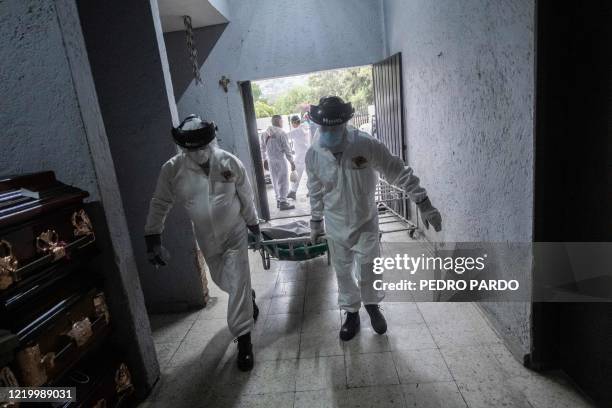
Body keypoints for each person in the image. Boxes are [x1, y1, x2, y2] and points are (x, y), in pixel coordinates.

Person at [305, 96, 442, 341]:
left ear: (344, 124)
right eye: (323, 127)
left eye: (333, 128)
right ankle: (351, 314)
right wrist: (316, 221)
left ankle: (372, 306)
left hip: (365, 220)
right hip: (335, 224)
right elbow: (315, 189)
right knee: (343, 271)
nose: (327, 132)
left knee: (369, 267)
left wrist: (423, 202)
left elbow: (395, 169)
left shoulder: (365, 144)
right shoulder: (314, 153)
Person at [144, 115, 262, 371]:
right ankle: (247, 297)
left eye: (202, 147)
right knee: (224, 280)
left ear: (211, 140)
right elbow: (160, 203)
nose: (198, 153)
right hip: (206, 237)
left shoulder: (229, 162)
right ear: (183, 148)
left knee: (239, 279)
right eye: (192, 149)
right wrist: (153, 236)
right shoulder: (172, 169)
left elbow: (246, 195)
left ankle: (244, 341)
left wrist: (254, 225)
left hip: (235, 232)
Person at [261, 115, 296, 210]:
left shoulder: (264, 133)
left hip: (270, 160)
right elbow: (287, 149)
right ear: (279, 121)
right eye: (282, 121)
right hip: (281, 159)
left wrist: (264, 160)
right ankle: (283, 202)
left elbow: (262, 148)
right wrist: (292, 162)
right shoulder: (282, 133)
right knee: (283, 181)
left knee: (275, 180)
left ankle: (278, 200)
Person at [287, 115, 310, 200]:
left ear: (294, 122)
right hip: (307, 155)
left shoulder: (297, 130)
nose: (292, 125)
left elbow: (285, 136)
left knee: (297, 176)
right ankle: (311, 190)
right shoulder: (305, 128)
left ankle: (293, 192)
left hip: (300, 157)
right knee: (310, 175)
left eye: (292, 123)